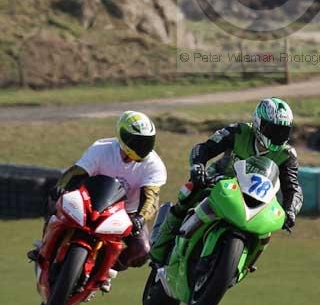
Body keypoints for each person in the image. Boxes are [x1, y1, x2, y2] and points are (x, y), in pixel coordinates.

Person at [150, 97, 303, 269]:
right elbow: (204, 148)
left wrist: (291, 211)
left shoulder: (287, 155)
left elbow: (293, 187)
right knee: (188, 193)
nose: (277, 136)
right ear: (259, 123)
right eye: (273, 129)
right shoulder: (238, 131)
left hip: (257, 198)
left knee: (267, 229)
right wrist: (198, 166)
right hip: (219, 181)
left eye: (283, 131)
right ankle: (159, 248)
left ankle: (246, 263)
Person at [30, 110, 167, 291]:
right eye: (138, 141)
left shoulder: (154, 165)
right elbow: (77, 172)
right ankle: (44, 247)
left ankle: (105, 272)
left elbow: (151, 198)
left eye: (148, 141)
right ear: (123, 136)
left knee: (142, 251)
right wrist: (61, 187)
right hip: (91, 202)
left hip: (128, 214)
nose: (143, 146)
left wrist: (141, 219)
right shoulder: (102, 148)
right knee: (55, 200)